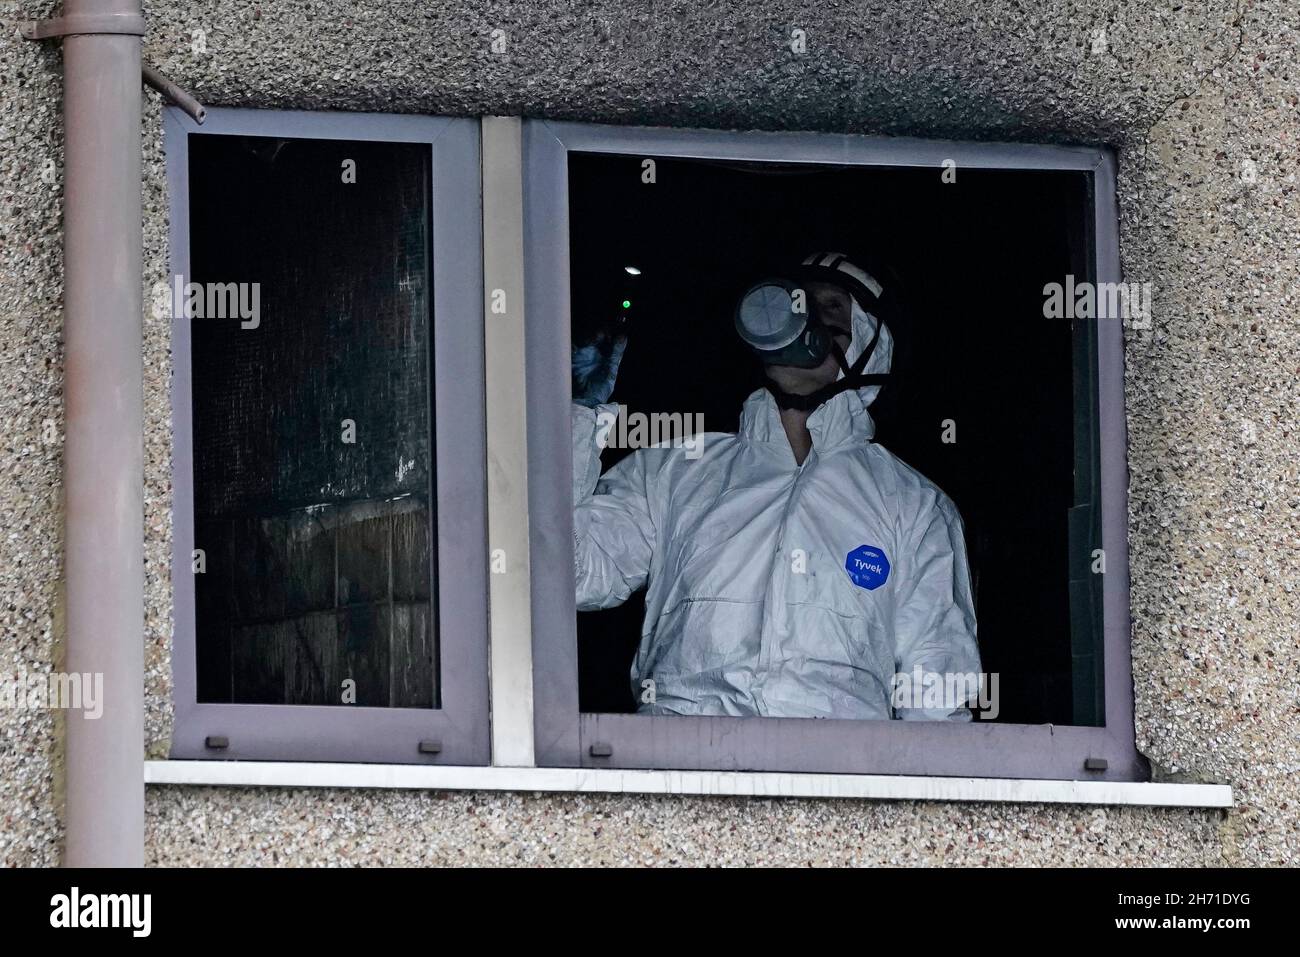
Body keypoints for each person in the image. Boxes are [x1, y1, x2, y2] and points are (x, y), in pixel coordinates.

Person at [570, 253, 980, 720]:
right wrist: (577, 413)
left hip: (838, 780)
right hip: (680, 766)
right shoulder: (676, 470)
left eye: (831, 308)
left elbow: (936, 698)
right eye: (798, 301)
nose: (803, 316)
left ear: (870, 343)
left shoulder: (914, 504)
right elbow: (571, 572)